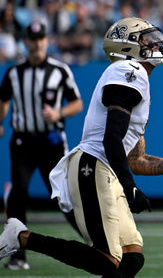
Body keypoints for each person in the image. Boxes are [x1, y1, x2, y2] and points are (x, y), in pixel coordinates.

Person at [0, 17, 163, 277]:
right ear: (128, 46)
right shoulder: (129, 71)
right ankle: (23, 237)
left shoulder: (137, 78)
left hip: (106, 170)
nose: (156, 44)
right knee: (107, 260)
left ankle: (23, 236)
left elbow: (136, 160)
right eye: (147, 39)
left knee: (132, 258)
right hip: (93, 165)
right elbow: (111, 139)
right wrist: (131, 188)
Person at [0, 21, 83, 270]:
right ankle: (18, 254)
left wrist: (58, 113)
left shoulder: (60, 70)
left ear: (46, 41)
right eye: (32, 39)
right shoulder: (14, 73)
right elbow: (3, 100)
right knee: (18, 193)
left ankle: (95, 242)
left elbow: (77, 103)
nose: (37, 43)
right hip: (23, 141)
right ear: (25, 42)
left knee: (64, 197)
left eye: (41, 39)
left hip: (51, 142)